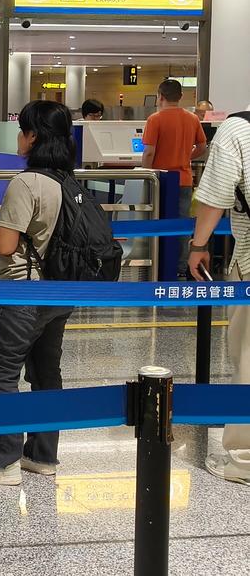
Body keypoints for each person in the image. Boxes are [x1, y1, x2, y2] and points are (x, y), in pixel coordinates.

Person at [0, 100, 77, 486]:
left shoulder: (27, 183)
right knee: (46, 373)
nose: (20, 137)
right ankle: (41, 456)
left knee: (0, 372)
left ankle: (1, 462)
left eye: (23, 130)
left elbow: (7, 244)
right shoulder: (69, 182)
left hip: (23, 290)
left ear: (34, 137)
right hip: (60, 292)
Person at [189, 109, 250, 484]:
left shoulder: (239, 128)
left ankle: (245, 458)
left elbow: (215, 195)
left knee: (248, 355)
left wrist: (198, 245)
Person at [143, 79, 207, 277]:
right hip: (184, 179)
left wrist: (145, 173)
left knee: (155, 222)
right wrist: (186, 157)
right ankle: (179, 268)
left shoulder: (155, 119)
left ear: (160, 96)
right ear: (180, 97)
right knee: (181, 225)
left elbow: (149, 152)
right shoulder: (192, 119)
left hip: (160, 180)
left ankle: (157, 264)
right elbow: (202, 146)